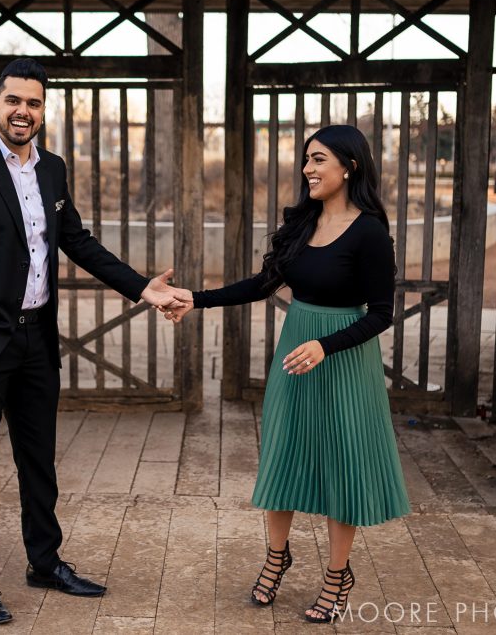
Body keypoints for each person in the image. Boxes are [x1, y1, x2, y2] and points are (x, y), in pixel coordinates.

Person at [0, 58, 190, 624]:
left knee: (38, 459)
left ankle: (44, 562)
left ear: (44, 111)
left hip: (36, 341)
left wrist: (144, 288)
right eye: (14, 101)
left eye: (34, 103)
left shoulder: (52, 169)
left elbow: (78, 241)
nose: (24, 111)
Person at [167, 125, 410, 623]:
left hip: (343, 359)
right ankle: (277, 556)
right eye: (306, 160)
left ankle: (337, 575)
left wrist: (325, 344)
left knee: (343, 466)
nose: (308, 169)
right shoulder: (303, 225)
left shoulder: (369, 232)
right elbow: (262, 284)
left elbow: (382, 314)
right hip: (296, 356)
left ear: (350, 166)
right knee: (284, 456)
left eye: (319, 159)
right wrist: (196, 298)